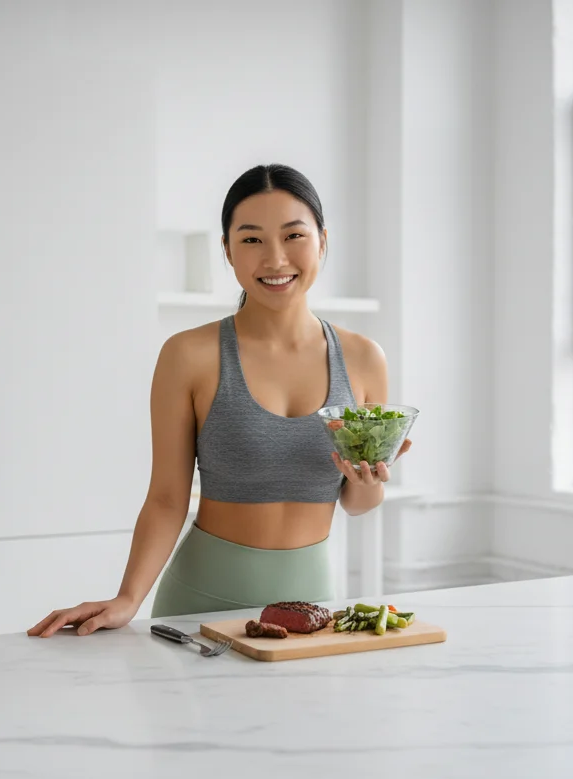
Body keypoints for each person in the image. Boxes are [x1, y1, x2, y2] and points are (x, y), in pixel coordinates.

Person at [28, 163, 410, 638]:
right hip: (199, 606)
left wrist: (369, 480)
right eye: (251, 239)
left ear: (322, 241)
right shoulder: (188, 355)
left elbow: (357, 503)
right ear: (227, 249)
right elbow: (167, 498)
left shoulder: (364, 359)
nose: (275, 258)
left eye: (294, 235)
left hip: (312, 609)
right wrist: (127, 599)